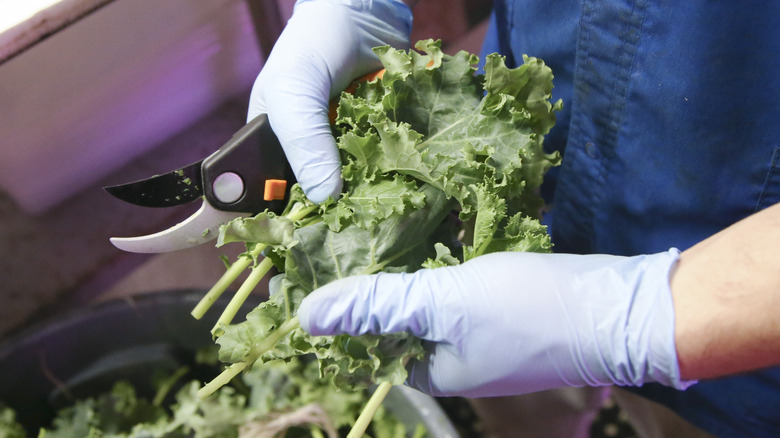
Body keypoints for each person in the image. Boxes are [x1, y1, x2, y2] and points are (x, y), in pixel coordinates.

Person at [247, 0, 780, 436]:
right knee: (504, 392)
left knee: (672, 420)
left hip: (729, 292)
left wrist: (638, 321)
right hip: (536, 115)